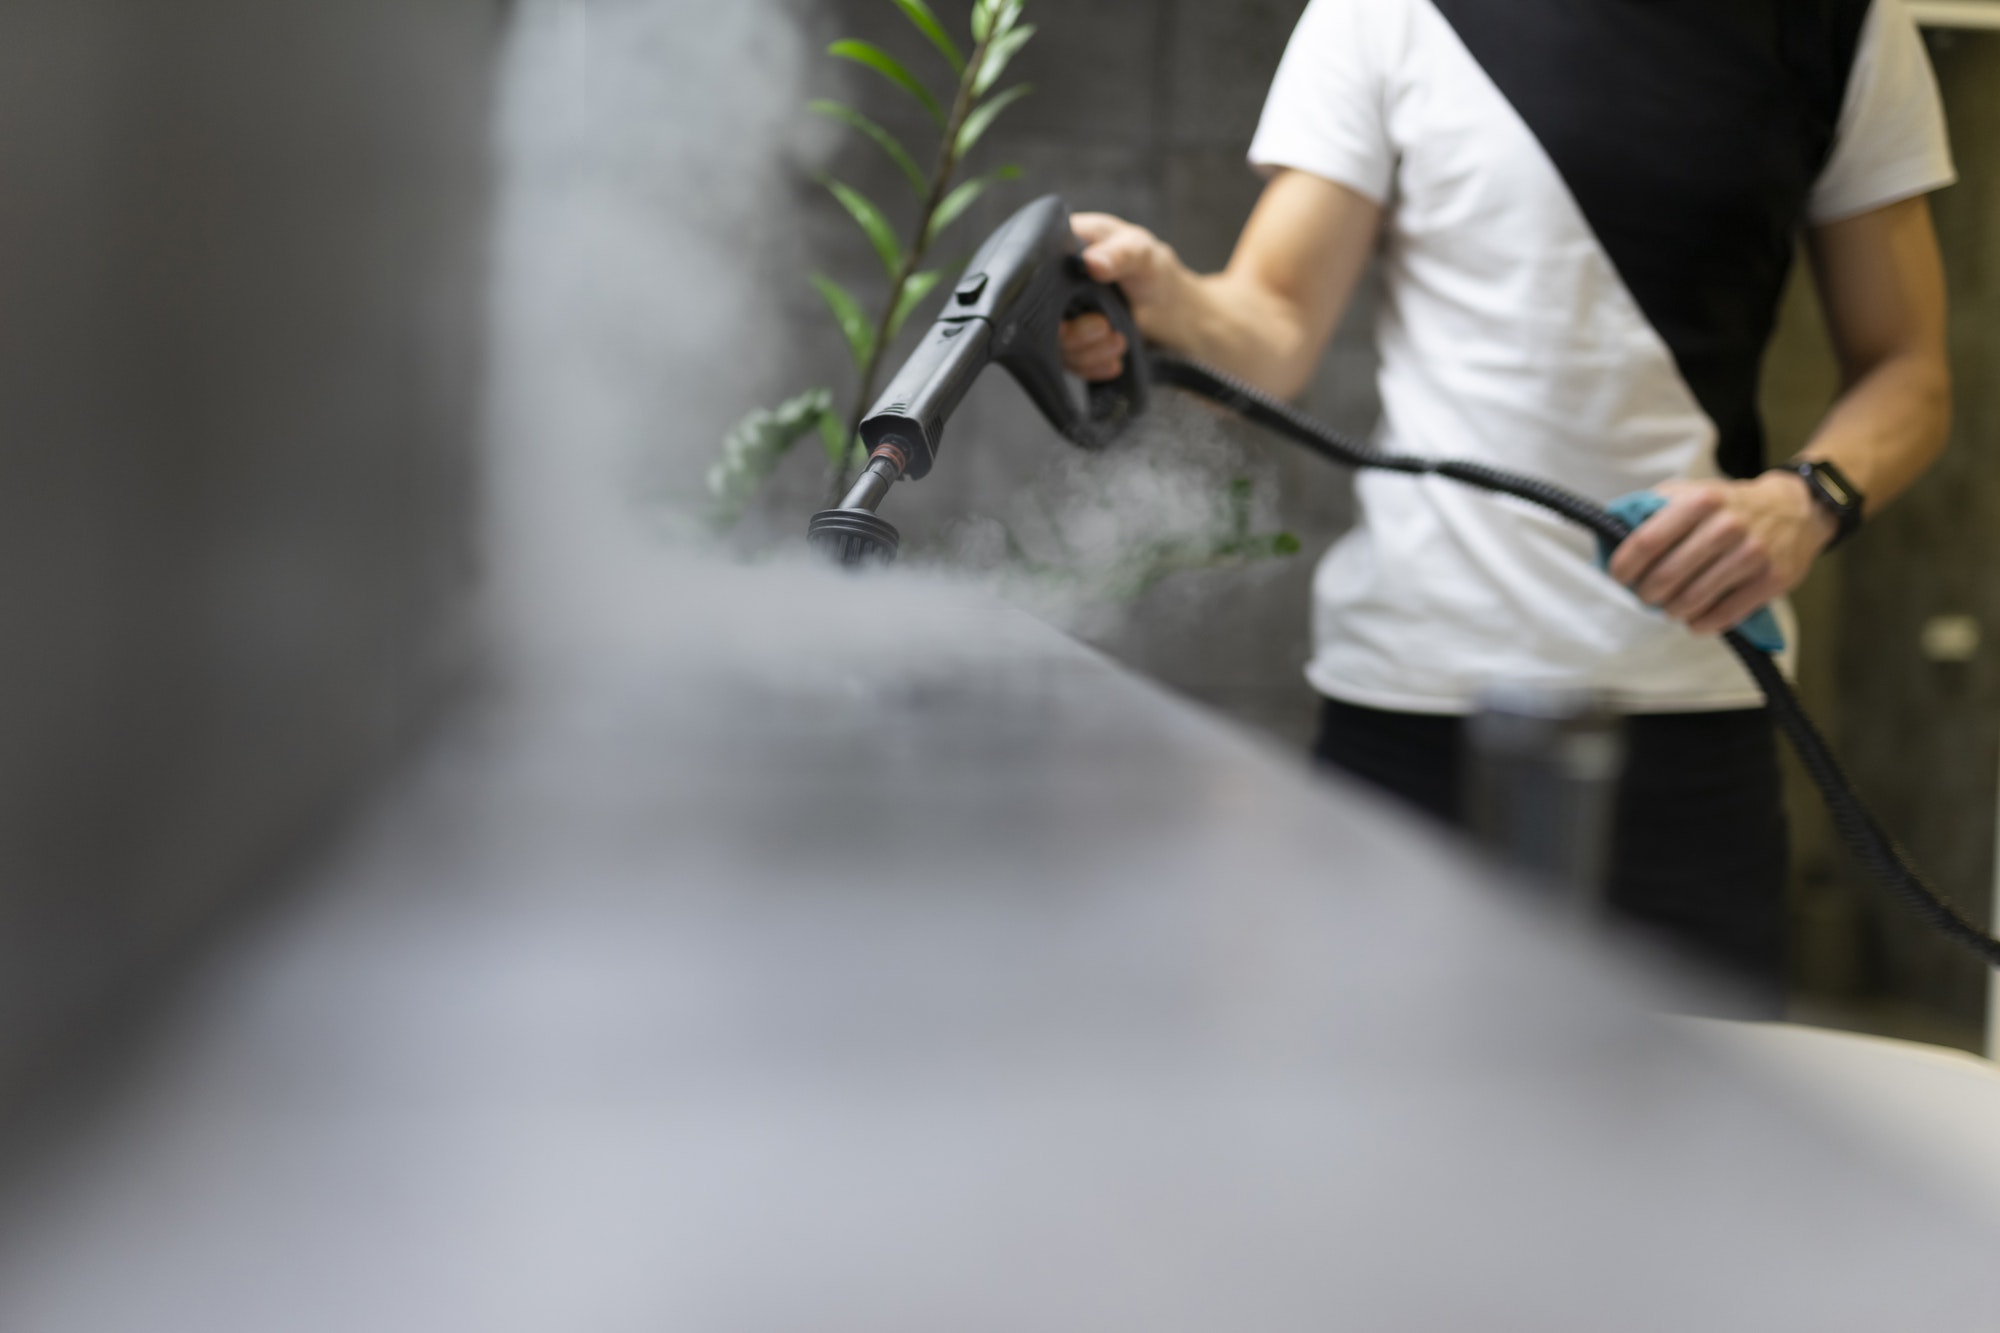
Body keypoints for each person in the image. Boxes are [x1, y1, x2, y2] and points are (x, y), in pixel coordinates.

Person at [1061, 0, 1954, 1001]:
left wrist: (1805, 500)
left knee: (1690, 1133)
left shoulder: (1842, 26)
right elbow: (1272, 325)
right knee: (1381, 1131)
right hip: (1417, 706)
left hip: (1691, 718)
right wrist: (1168, 297)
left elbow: (1908, 370)